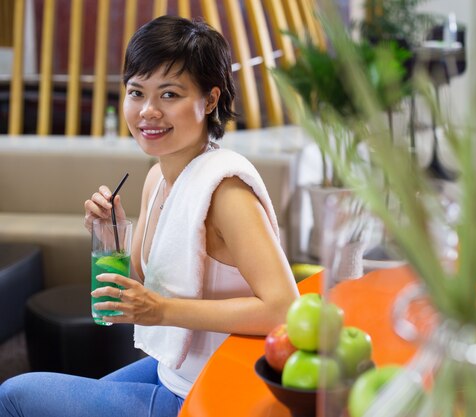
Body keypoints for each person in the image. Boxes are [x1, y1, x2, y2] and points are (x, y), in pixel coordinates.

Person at [0, 15, 299, 417]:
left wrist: (161, 311)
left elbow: (284, 310)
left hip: (210, 389)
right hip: (174, 371)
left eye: (170, 95)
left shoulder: (227, 193)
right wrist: (110, 234)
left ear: (210, 100)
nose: (148, 111)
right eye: (136, 92)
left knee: (15, 395)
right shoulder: (158, 175)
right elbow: (149, 280)